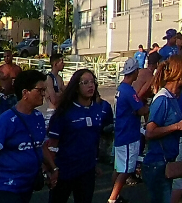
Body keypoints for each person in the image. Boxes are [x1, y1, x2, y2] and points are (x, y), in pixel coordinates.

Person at [0, 70, 54, 203]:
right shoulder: (6, 120)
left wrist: (53, 168)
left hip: (27, 186)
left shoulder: (38, 117)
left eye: (44, 90)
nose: (44, 94)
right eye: (40, 90)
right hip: (7, 188)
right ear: (25, 93)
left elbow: (40, 146)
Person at [44, 69, 114, 203]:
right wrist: (51, 170)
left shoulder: (98, 109)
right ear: (76, 87)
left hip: (87, 171)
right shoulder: (65, 112)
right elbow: (52, 144)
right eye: (85, 82)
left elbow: (94, 139)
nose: (90, 85)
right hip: (65, 170)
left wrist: (95, 163)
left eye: (92, 82)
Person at [142, 55, 182, 203]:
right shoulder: (162, 99)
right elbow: (150, 132)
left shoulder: (173, 97)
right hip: (157, 164)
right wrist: (176, 126)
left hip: (167, 162)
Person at [108, 58, 148, 203]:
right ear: (135, 71)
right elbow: (141, 109)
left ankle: (115, 195)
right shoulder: (128, 91)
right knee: (126, 170)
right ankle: (113, 198)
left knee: (119, 167)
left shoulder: (121, 88)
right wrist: (147, 107)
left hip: (120, 133)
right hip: (128, 135)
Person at [0, 51, 21, 116]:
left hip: (13, 97)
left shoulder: (17, 69)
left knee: (14, 117)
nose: (6, 58)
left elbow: (22, 82)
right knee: (1, 117)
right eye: (4, 57)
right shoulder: (0, 69)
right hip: (2, 97)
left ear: (12, 56)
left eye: (8, 56)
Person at [44, 53, 65, 126]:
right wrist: (61, 94)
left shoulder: (59, 78)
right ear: (55, 64)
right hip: (52, 112)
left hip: (60, 111)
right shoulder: (49, 78)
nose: (64, 64)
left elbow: (68, 94)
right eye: (61, 62)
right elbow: (54, 100)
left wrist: (59, 94)